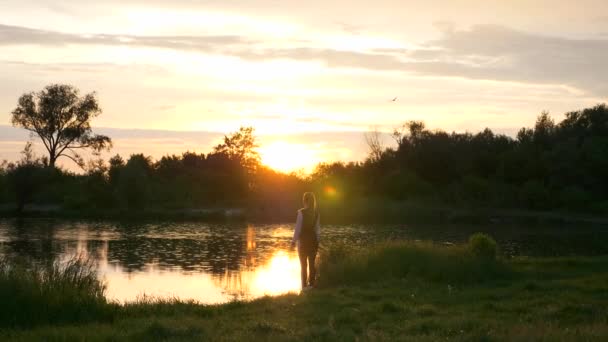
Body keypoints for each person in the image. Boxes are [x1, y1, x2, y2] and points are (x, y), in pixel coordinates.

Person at [291, 192, 320, 289]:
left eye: (304, 199)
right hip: (313, 241)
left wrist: (293, 242)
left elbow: (298, 229)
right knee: (312, 264)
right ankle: (311, 285)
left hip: (303, 242)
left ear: (305, 200)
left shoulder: (301, 212)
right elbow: (317, 230)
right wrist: (317, 242)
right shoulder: (316, 213)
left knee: (303, 265)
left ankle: (304, 287)